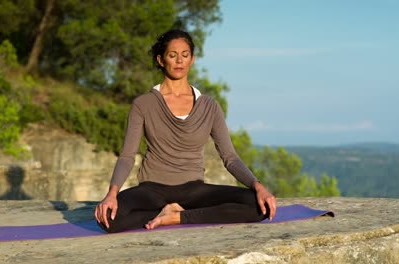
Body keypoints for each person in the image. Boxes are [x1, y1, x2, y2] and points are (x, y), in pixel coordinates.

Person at [95, 29, 276, 233]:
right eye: (172, 55)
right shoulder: (143, 104)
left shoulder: (210, 106)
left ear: (192, 59)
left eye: (185, 55)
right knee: (107, 218)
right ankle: (167, 212)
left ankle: (177, 217)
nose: (179, 61)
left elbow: (230, 158)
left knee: (259, 206)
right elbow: (127, 156)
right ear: (161, 60)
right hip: (152, 190)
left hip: (194, 191)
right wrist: (112, 193)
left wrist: (258, 186)